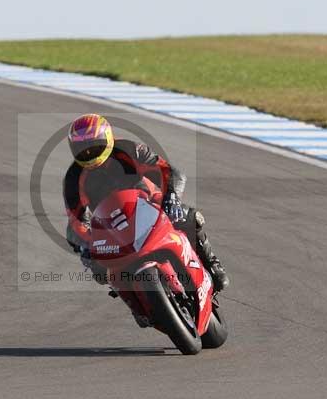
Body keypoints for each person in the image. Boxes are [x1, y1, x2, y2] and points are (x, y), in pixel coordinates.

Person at [63, 114, 230, 292]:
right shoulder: (73, 178)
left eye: (94, 146)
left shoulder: (129, 150)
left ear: (108, 138)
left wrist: (171, 199)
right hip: (111, 226)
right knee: (98, 268)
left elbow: (169, 171)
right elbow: (75, 221)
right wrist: (88, 244)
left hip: (149, 205)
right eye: (82, 148)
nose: (89, 153)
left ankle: (211, 262)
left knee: (188, 217)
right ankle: (137, 303)